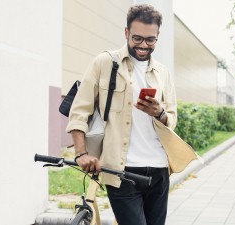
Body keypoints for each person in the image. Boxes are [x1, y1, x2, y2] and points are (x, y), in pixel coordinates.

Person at [66, 4, 177, 225]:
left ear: (157, 37)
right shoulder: (104, 63)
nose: (143, 45)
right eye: (137, 38)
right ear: (126, 32)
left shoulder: (163, 72)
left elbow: (172, 119)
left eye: (150, 40)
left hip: (159, 171)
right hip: (121, 172)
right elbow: (79, 111)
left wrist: (159, 112)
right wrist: (80, 154)